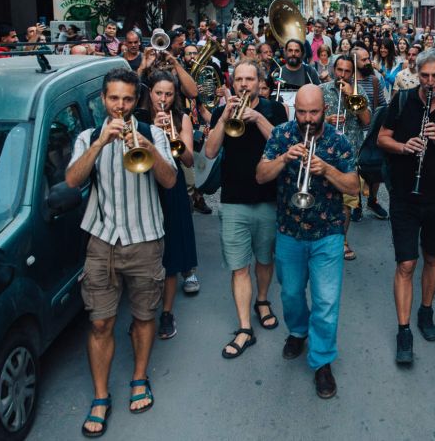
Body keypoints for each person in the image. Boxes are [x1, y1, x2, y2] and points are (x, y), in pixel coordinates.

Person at [64, 68, 178, 436]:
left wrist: (141, 145)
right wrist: (100, 144)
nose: (120, 106)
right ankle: (100, 396)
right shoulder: (87, 136)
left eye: (128, 100)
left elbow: (170, 179)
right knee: (100, 321)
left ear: (136, 101)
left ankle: (139, 377)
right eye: (114, 99)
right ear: (103, 99)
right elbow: (71, 180)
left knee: (144, 316)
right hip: (102, 240)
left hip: (145, 238)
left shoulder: (154, 133)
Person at [256, 85, 359, 399]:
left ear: (324, 109)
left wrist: (327, 169)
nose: (308, 119)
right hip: (289, 232)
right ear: (294, 110)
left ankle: (322, 361)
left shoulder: (338, 141)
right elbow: (261, 175)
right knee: (290, 294)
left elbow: (354, 185)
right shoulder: (282, 135)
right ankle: (298, 332)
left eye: (314, 112)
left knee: (326, 302)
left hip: (327, 234)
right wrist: (286, 157)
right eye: (302, 112)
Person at [377, 49, 435, 364]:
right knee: (406, 264)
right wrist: (404, 147)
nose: (430, 82)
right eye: (425, 76)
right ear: (417, 74)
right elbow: (382, 138)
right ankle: (404, 330)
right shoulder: (403, 100)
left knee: (432, 258)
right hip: (404, 195)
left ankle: (426, 311)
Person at [205, 62, 288, 358]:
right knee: (240, 266)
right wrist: (223, 117)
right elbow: (211, 151)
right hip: (233, 199)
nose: (244, 84)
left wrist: (257, 118)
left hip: (267, 198)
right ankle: (244, 328)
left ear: (258, 82)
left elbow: (283, 145)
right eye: (239, 79)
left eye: (249, 79)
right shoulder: (222, 110)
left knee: (265, 260)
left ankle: (262, 300)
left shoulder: (274, 109)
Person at [144, 72, 198, 340]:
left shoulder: (182, 118)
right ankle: (143, 312)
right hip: (145, 186)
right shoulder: (139, 120)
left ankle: (166, 312)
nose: (163, 99)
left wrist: (171, 134)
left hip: (172, 184)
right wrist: (152, 130)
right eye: (158, 93)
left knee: (172, 248)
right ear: (150, 93)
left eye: (168, 94)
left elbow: (188, 160)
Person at [322, 54, 372, 260]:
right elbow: (306, 118)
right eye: (339, 70)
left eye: (347, 71)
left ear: (353, 73)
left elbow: (367, 121)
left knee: (346, 201)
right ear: (333, 69)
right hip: (324, 153)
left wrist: (353, 98)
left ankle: (342, 240)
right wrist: (326, 119)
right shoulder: (321, 90)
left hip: (350, 154)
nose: (342, 74)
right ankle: (322, 240)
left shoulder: (358, 93)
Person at [350, 46, 388, 220]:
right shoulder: (349, 82)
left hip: (372, 131)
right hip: (353, 131)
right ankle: (356, 203)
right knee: (355, 169)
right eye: (364, 60)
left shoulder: (374, 80)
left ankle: (372, 200)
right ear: (354, 62)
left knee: (375, 166)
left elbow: (382, 104)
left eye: (368, 58)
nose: (368, 62)